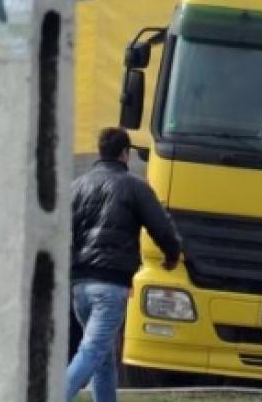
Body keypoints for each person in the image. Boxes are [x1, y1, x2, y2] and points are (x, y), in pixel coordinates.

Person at [66, 128, 181, 402]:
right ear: (125, 153)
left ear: (100, 151)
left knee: (104, 360)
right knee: (92, 351)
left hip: (80, 286)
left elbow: (62, 232)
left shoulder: (77, 186)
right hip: (111, 284)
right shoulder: (135, 187)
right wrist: (172, 254)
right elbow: (161, 227)